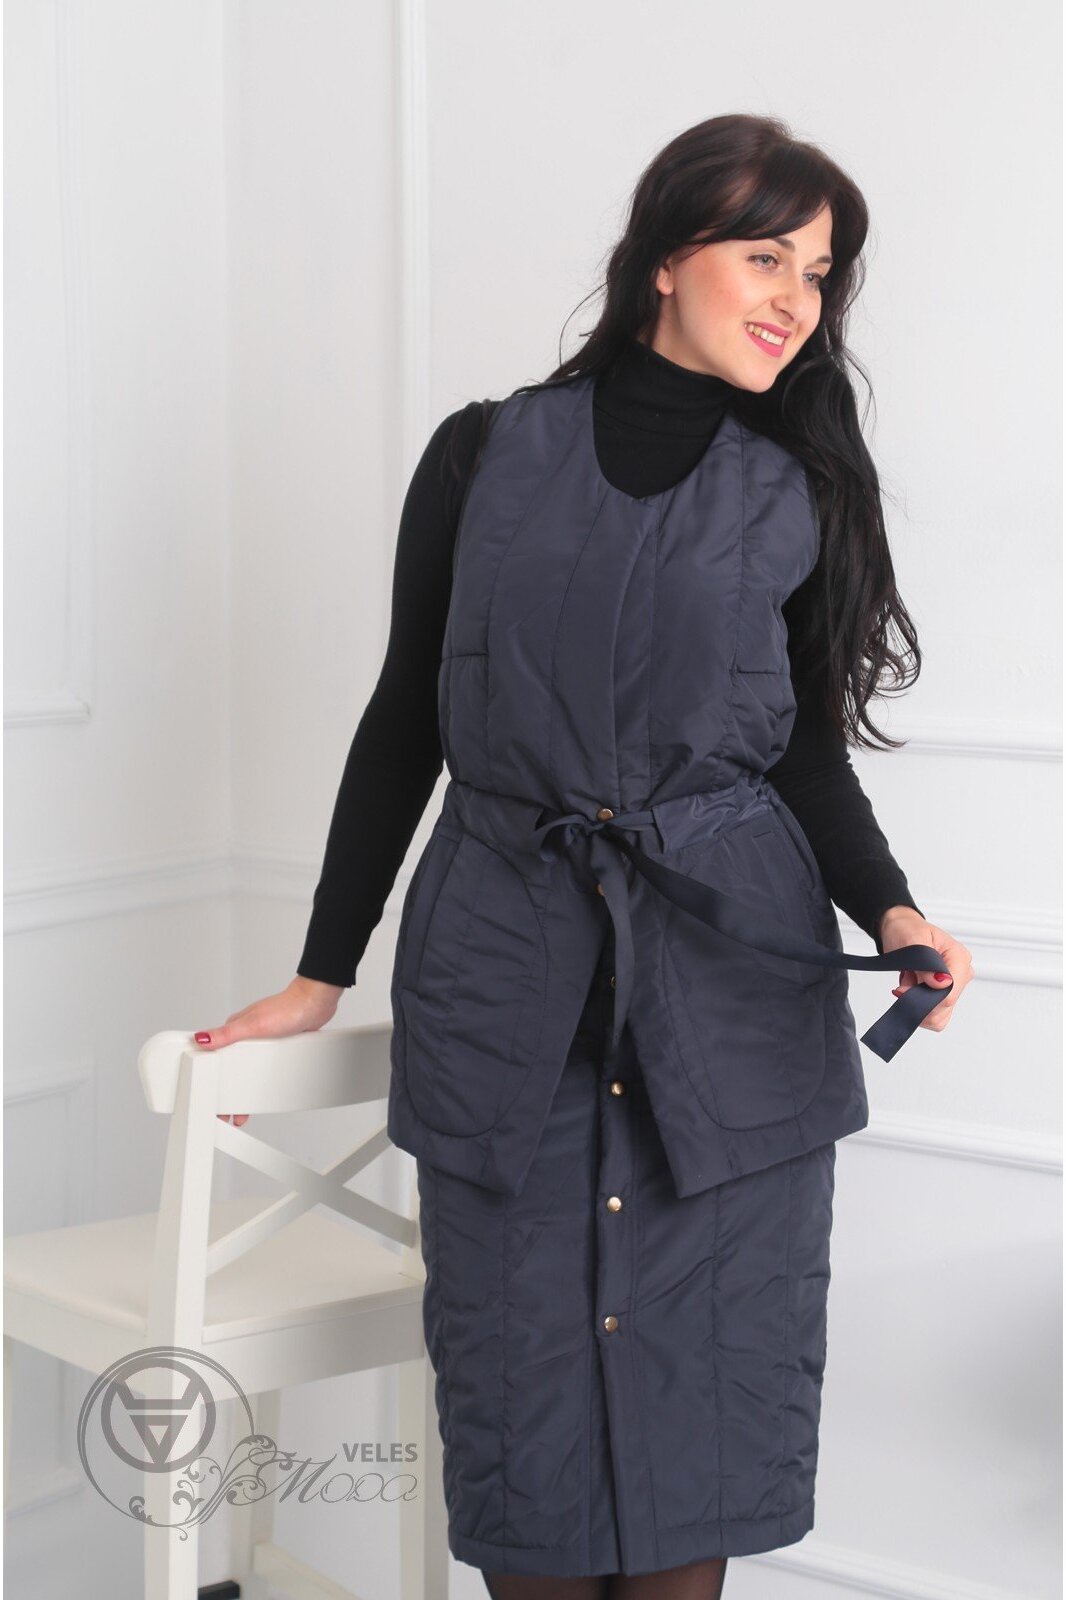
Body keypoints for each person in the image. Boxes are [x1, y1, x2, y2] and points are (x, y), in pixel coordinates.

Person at [194, 114, 973, 1598]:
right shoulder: (484, 452)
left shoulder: (793, 487)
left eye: (819, 273)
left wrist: (892, 908)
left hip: (727, 997)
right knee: (525, 1430)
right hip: (506, 974)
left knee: (697, 1443)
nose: (797, 300)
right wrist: (319, 970)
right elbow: (408, 712)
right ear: (666, 257)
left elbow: (798, 747)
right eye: (767, 257)